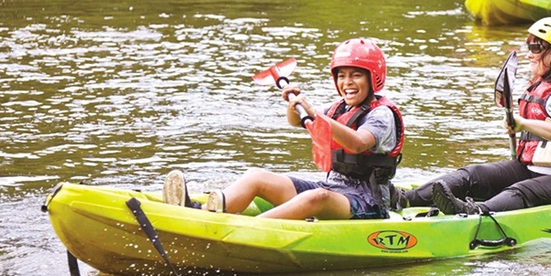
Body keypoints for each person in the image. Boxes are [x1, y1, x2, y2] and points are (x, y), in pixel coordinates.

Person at [391, 17, 551, 215]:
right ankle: (403, 199)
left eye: (536, 47)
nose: (529, 53)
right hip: (534, 169)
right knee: (472, 174)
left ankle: (475, 211)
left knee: (520, 191)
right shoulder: (545, 80)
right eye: (529, 46)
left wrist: (524, 123)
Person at [163, 38, 404, 220]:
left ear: (374, 78)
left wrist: (314, 112)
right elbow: (297, 121)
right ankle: (202, 211)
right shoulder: (339, 109)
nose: (347, 82)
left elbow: (358, 143)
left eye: (356, 76)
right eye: (341, 75)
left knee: (314, 197)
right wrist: (294, 103)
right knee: (256, 176)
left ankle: (245, 229)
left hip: (368, 201)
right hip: (333, 188)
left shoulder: (381, 115)